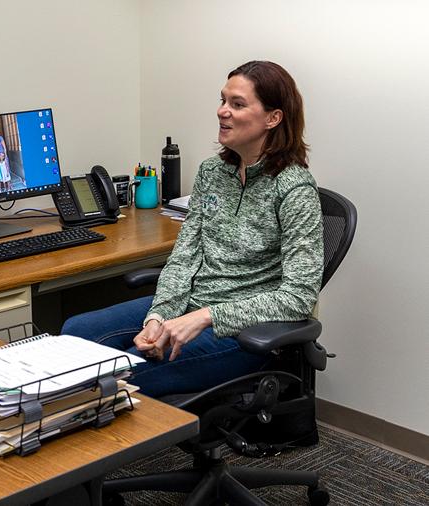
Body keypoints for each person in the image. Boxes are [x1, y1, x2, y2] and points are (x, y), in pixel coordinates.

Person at [62, 61, 323, 398]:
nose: (222, 112)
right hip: (189, 307)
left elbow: (298, 298)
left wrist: (205, 317)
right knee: (75, 333)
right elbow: (184, 257)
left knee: (123, 370)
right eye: (222, 100)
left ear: (273, 118)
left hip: (243, 332)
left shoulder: (294, 188)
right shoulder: (212, 173)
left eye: (237, 104)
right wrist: (159, 317)